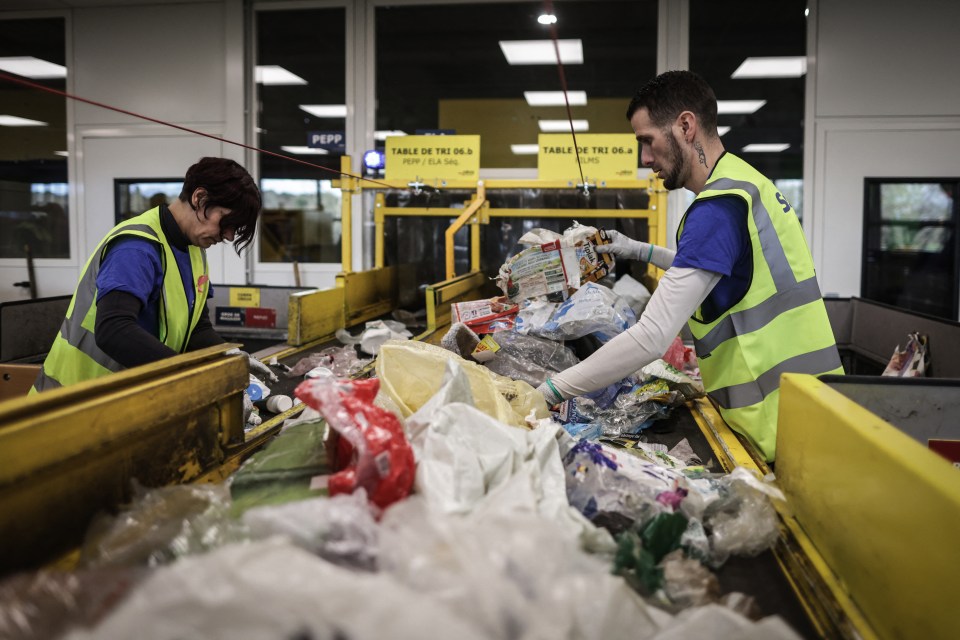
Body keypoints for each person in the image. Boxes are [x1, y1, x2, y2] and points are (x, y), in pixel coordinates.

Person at [537, 71, 843, 462]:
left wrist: (549, 391)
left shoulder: (717, 209)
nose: (646, 159)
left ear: (685, 125)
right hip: (814, 408)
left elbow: (652, 337)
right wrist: (636, 249)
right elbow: (720, 271)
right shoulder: (744, 184)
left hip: (777, 429)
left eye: (647, 141)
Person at [32, 157, 267, 393]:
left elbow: (197, 329)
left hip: (120, 402)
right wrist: (189, 377)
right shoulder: (137, 247)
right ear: (199, 198)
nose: (228, 236)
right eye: (227, 222)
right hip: (72, 403)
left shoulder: (194, 249)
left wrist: (229, 357)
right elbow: (114, 330)